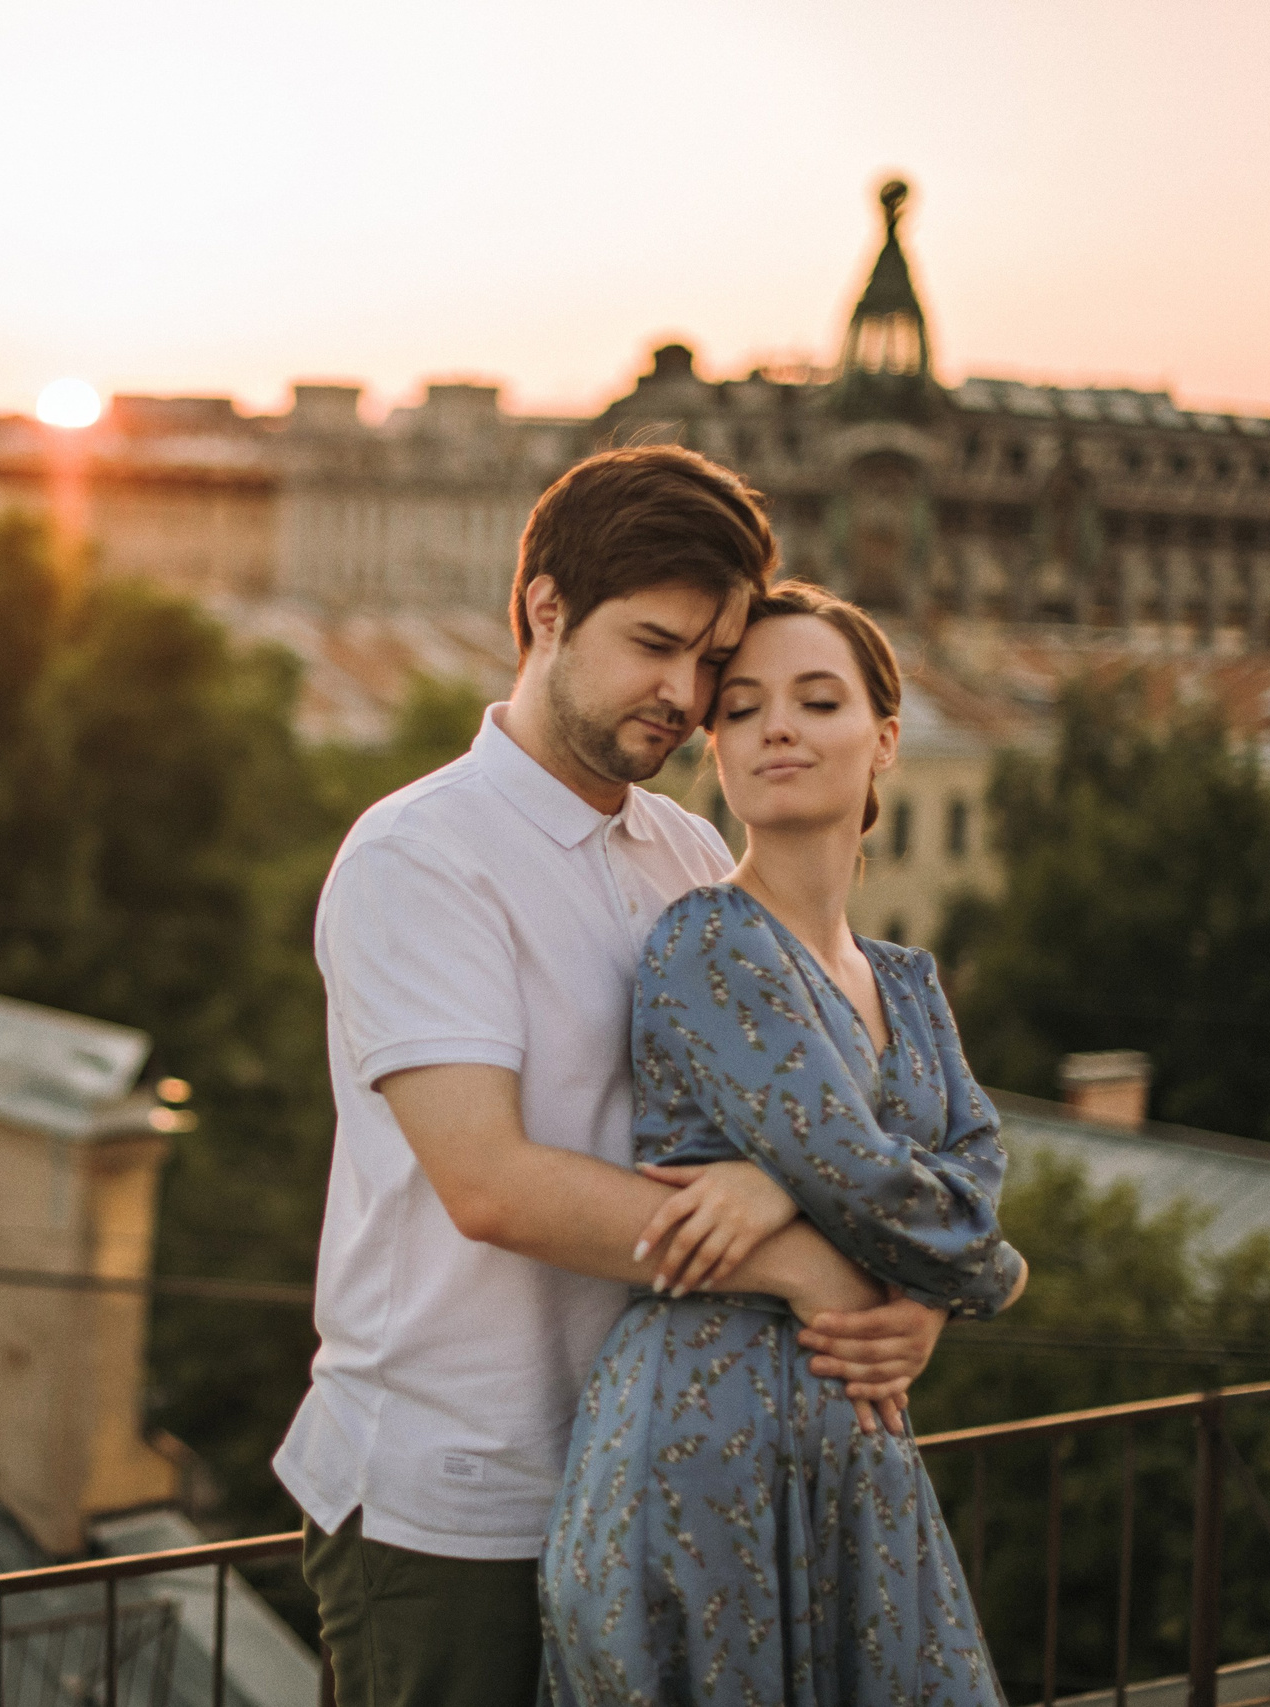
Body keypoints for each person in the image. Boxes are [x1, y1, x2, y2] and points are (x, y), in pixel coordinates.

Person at [278, 449, 952, 1707]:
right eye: (654, 646)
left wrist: (895, 1296)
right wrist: (802, 1268)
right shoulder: (419, 856)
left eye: (711, 662)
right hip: (457, 1494)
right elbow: (491, 1185)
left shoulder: (686, 849)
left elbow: (783, 1120)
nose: (685, 695)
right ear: (543, 610)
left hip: (655, 1474)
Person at [539, 582, 1027, 1706]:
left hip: (847, 1437)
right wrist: (988, 1279)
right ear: (718, 748)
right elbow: (871, 1179)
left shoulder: (905, 982)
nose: (778, 730)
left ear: (884, 739)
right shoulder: (708, 940)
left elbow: (970, 1170)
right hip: (703, 1439)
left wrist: (780, 1187)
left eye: (816, 701)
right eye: (744, 708)